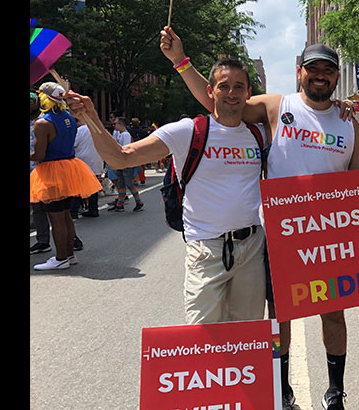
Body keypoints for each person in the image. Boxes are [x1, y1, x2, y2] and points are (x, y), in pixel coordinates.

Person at [161, 26, 359, 410]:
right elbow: (222, 100)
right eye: (313, 69)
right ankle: (282, 390)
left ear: (337, 77)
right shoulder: (277, 106)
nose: (320, 75)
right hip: (281, 237)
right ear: (299, 73)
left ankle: (335, 391)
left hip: (329, 239)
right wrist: (181, 62)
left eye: (328, 69)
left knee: (333, 317)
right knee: (281, 318)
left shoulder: (350, 125)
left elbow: (357, 187)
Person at [65, 58, 269, 326]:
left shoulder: (260, 135)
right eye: (224, 86)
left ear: (248, 93)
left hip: (252, 249)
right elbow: (121, 158)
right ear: (210, 91)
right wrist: (90, 117)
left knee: (248, 337)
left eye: (239, 86)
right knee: (202, 340)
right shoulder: (187, 131)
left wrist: (341, 107)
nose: (232, 93)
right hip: (206, 250)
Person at [30, 83, 102, 270]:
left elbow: (38, 155)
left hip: (51, 170)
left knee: (56, 217)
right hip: (69, 168)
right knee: (65, 216)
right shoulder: (69, 117)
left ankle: (61, 257)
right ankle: (69, 255)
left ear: (44, 98)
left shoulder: (42, 122)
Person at [30, 90, 52, 254]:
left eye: (32, 101)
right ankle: (43, 241)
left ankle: (70, 238)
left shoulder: (44, 121)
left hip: (43, 169)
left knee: (52, 207)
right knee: (36, 207)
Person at [108, 118, 144, 213]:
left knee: (128, 183)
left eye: (115, 124)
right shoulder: (120, 134)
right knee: (121, 183)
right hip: (121, 162)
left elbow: (125, 148)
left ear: (121, 124)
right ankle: (120, 204)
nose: (114, 126)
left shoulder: (126, 135)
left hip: (126, 163)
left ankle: (139, 202)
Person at [74, 119, 104, 220]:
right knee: (93, 187)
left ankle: (74, 210)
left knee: (77, 187)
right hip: (96, 161)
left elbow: (73, 144)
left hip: (83, 161)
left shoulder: (81, 130)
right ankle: (93, 209)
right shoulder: (97, 129)